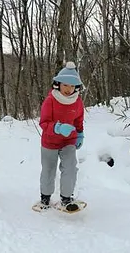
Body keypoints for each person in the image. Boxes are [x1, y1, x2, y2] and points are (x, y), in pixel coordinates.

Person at [38, 61, 84, 212]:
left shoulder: (77, 101)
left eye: (72, 86)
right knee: (48, 170)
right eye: (65, 85)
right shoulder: (50, 100)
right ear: (58, 84)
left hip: (68, 141)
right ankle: (45, 197)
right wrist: (57, 128)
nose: (68, 89)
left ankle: (66, 198)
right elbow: (43, 123)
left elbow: (78, 120)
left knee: (70, 167)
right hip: (50, 141)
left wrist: (80, 134)